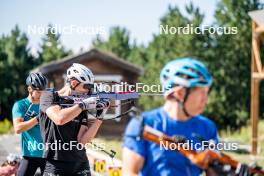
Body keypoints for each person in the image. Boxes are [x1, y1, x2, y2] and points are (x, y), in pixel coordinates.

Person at [122, 58, 219, 176]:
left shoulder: (207, 127)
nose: (206, 100)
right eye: (202, 93)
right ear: (180, 93)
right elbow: (129, 172)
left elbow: (213, 172)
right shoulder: (144, 124)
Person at [39, 63, 110, 176]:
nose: (88, 91)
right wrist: (82, 105)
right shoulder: (49, 96)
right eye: (86, 87)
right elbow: (59, 118)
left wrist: (100, 117)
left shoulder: (80, 104)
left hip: (80, 163)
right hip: (55, 164)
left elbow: (82, 141)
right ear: (73, 82)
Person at [12, 72, 48, 176]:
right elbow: (18, 128)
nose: (42, 94)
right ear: (29, 89)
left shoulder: (48, 105)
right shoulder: (21, 105)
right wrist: (38, 118)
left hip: (48, 155)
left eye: (43, 91)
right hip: (29, 155)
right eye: (38, 92)